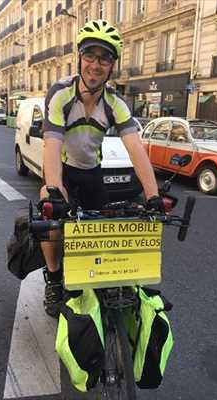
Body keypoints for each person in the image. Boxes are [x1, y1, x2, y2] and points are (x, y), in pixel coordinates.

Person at [41, 19, 165, 318]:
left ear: (112, 66)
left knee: (103, 230)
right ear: (80, 58)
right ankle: (55, 278)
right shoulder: (60, 93)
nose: (96, 64)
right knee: (50, 210)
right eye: (90, 55)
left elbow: (136, 149)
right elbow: (52, 146)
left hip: (93, 174)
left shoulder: (115, 103)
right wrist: (55, 190)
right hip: (65, 171)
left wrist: (153, 196)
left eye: (105, 58)